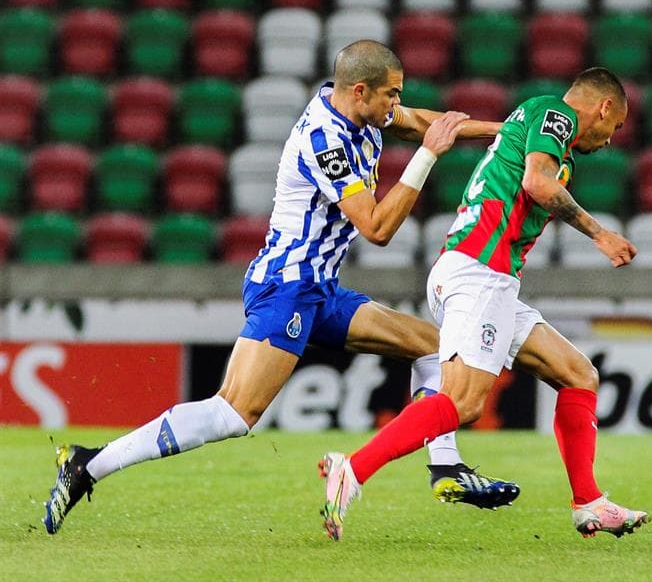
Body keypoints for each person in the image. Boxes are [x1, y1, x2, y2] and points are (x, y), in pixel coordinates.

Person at [42, 40, 520, 535]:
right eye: (391, 96)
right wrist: (425, 158)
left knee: (433, 348)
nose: (397, 105)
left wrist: (509, 132)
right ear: (360, 92)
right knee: (232, 412)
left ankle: (445, 468)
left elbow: (427, 122)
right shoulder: (325, 140)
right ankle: (86, 464)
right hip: (286, 286)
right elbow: (377, 228)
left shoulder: (362, 111)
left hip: (321, 291)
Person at [321, 67, 651, 541]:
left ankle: (588, 502)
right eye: (615, 126)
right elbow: (538, 183)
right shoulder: (555, 114)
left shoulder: (538, 124)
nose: (610, 138)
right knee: (464, 401)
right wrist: (600, 233)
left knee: (579, 374)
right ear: (604, 108)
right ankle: (352, 469)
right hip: (480, 272)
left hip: (483, 277)